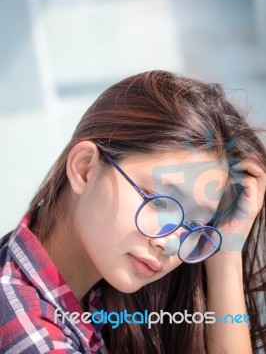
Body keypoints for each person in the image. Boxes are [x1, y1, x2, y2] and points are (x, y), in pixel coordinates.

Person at [0, 70, 265, 354]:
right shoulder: (33, 338)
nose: (169, 242)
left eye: (194, 224)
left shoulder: (99, 289)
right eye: (160, 202)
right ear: (85, 169)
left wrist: (225, 251)